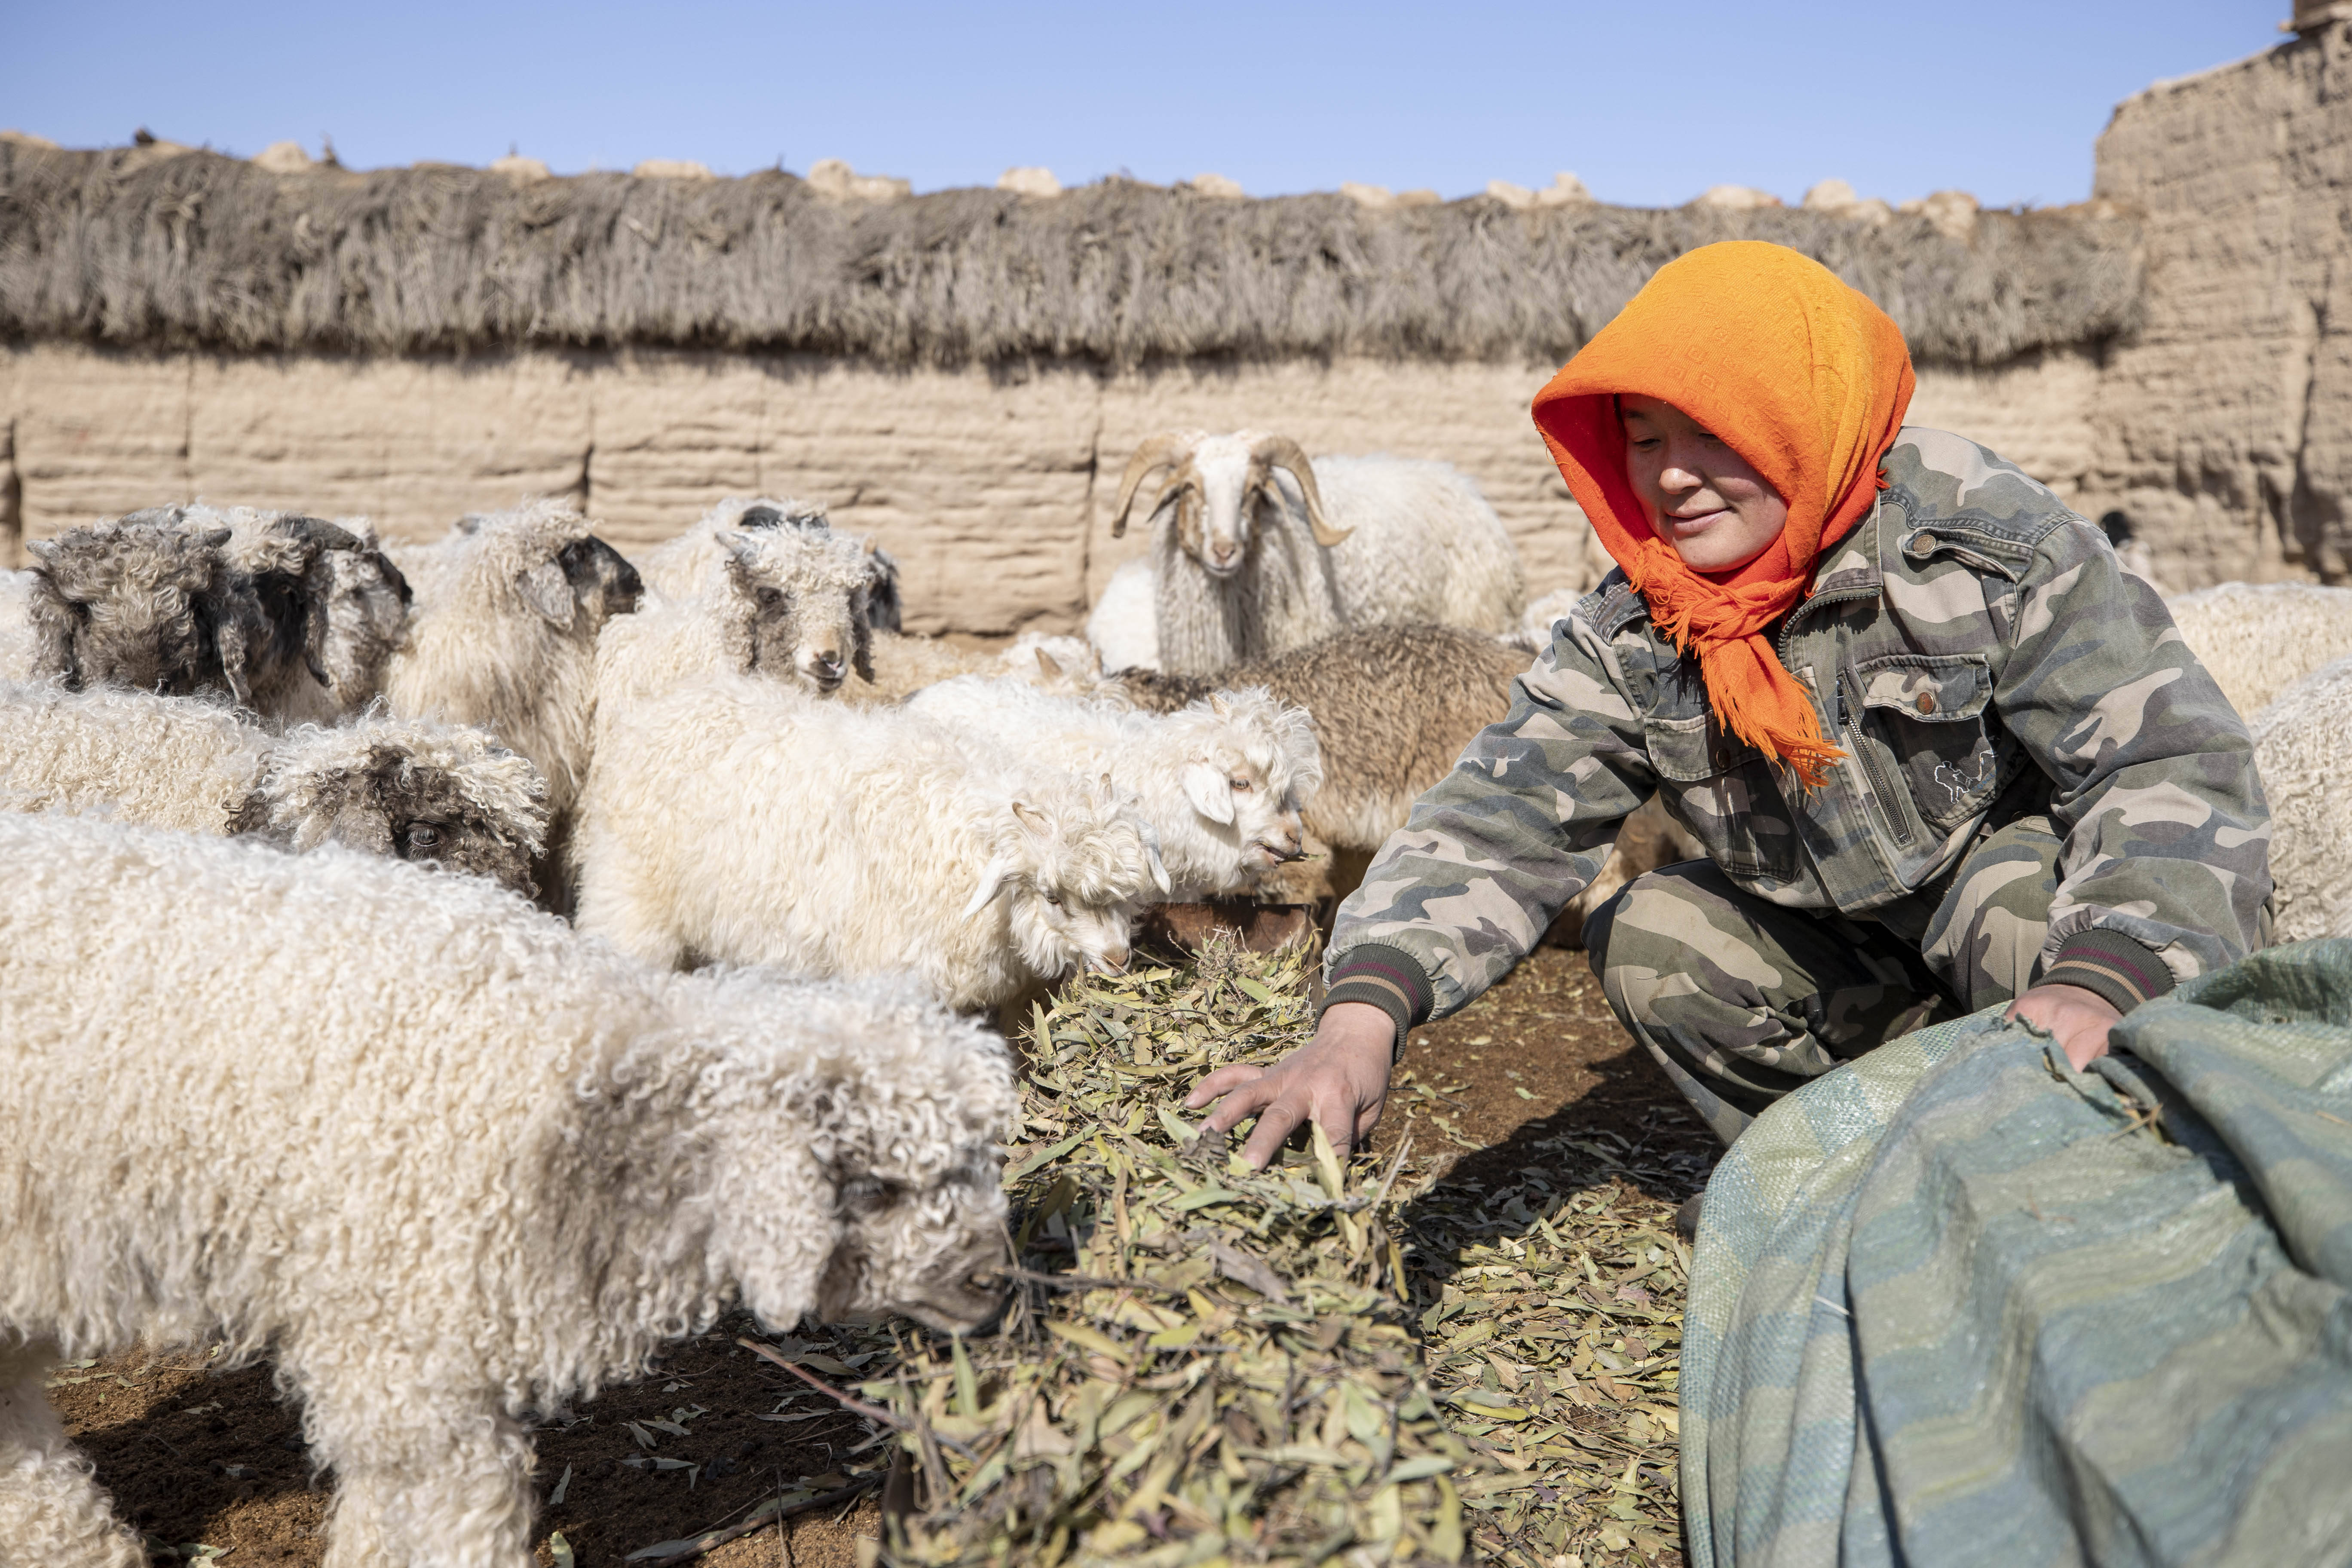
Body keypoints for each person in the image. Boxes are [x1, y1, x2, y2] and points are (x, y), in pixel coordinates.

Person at [1188, 240, 2269, 1163]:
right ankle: (1840, 1177)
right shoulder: (1645, 617)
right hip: (1841, 945)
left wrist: (2101, 976)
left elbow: (2166, 762)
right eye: (1646, 439)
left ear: (1796, 419)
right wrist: (1360, 1017)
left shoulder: (1977, 544)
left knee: (2032, 924)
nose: (1672, 478)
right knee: (1649, 931)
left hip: (2013, 914)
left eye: (1715, 433)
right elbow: (1498, 819)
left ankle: (2096, 1159)